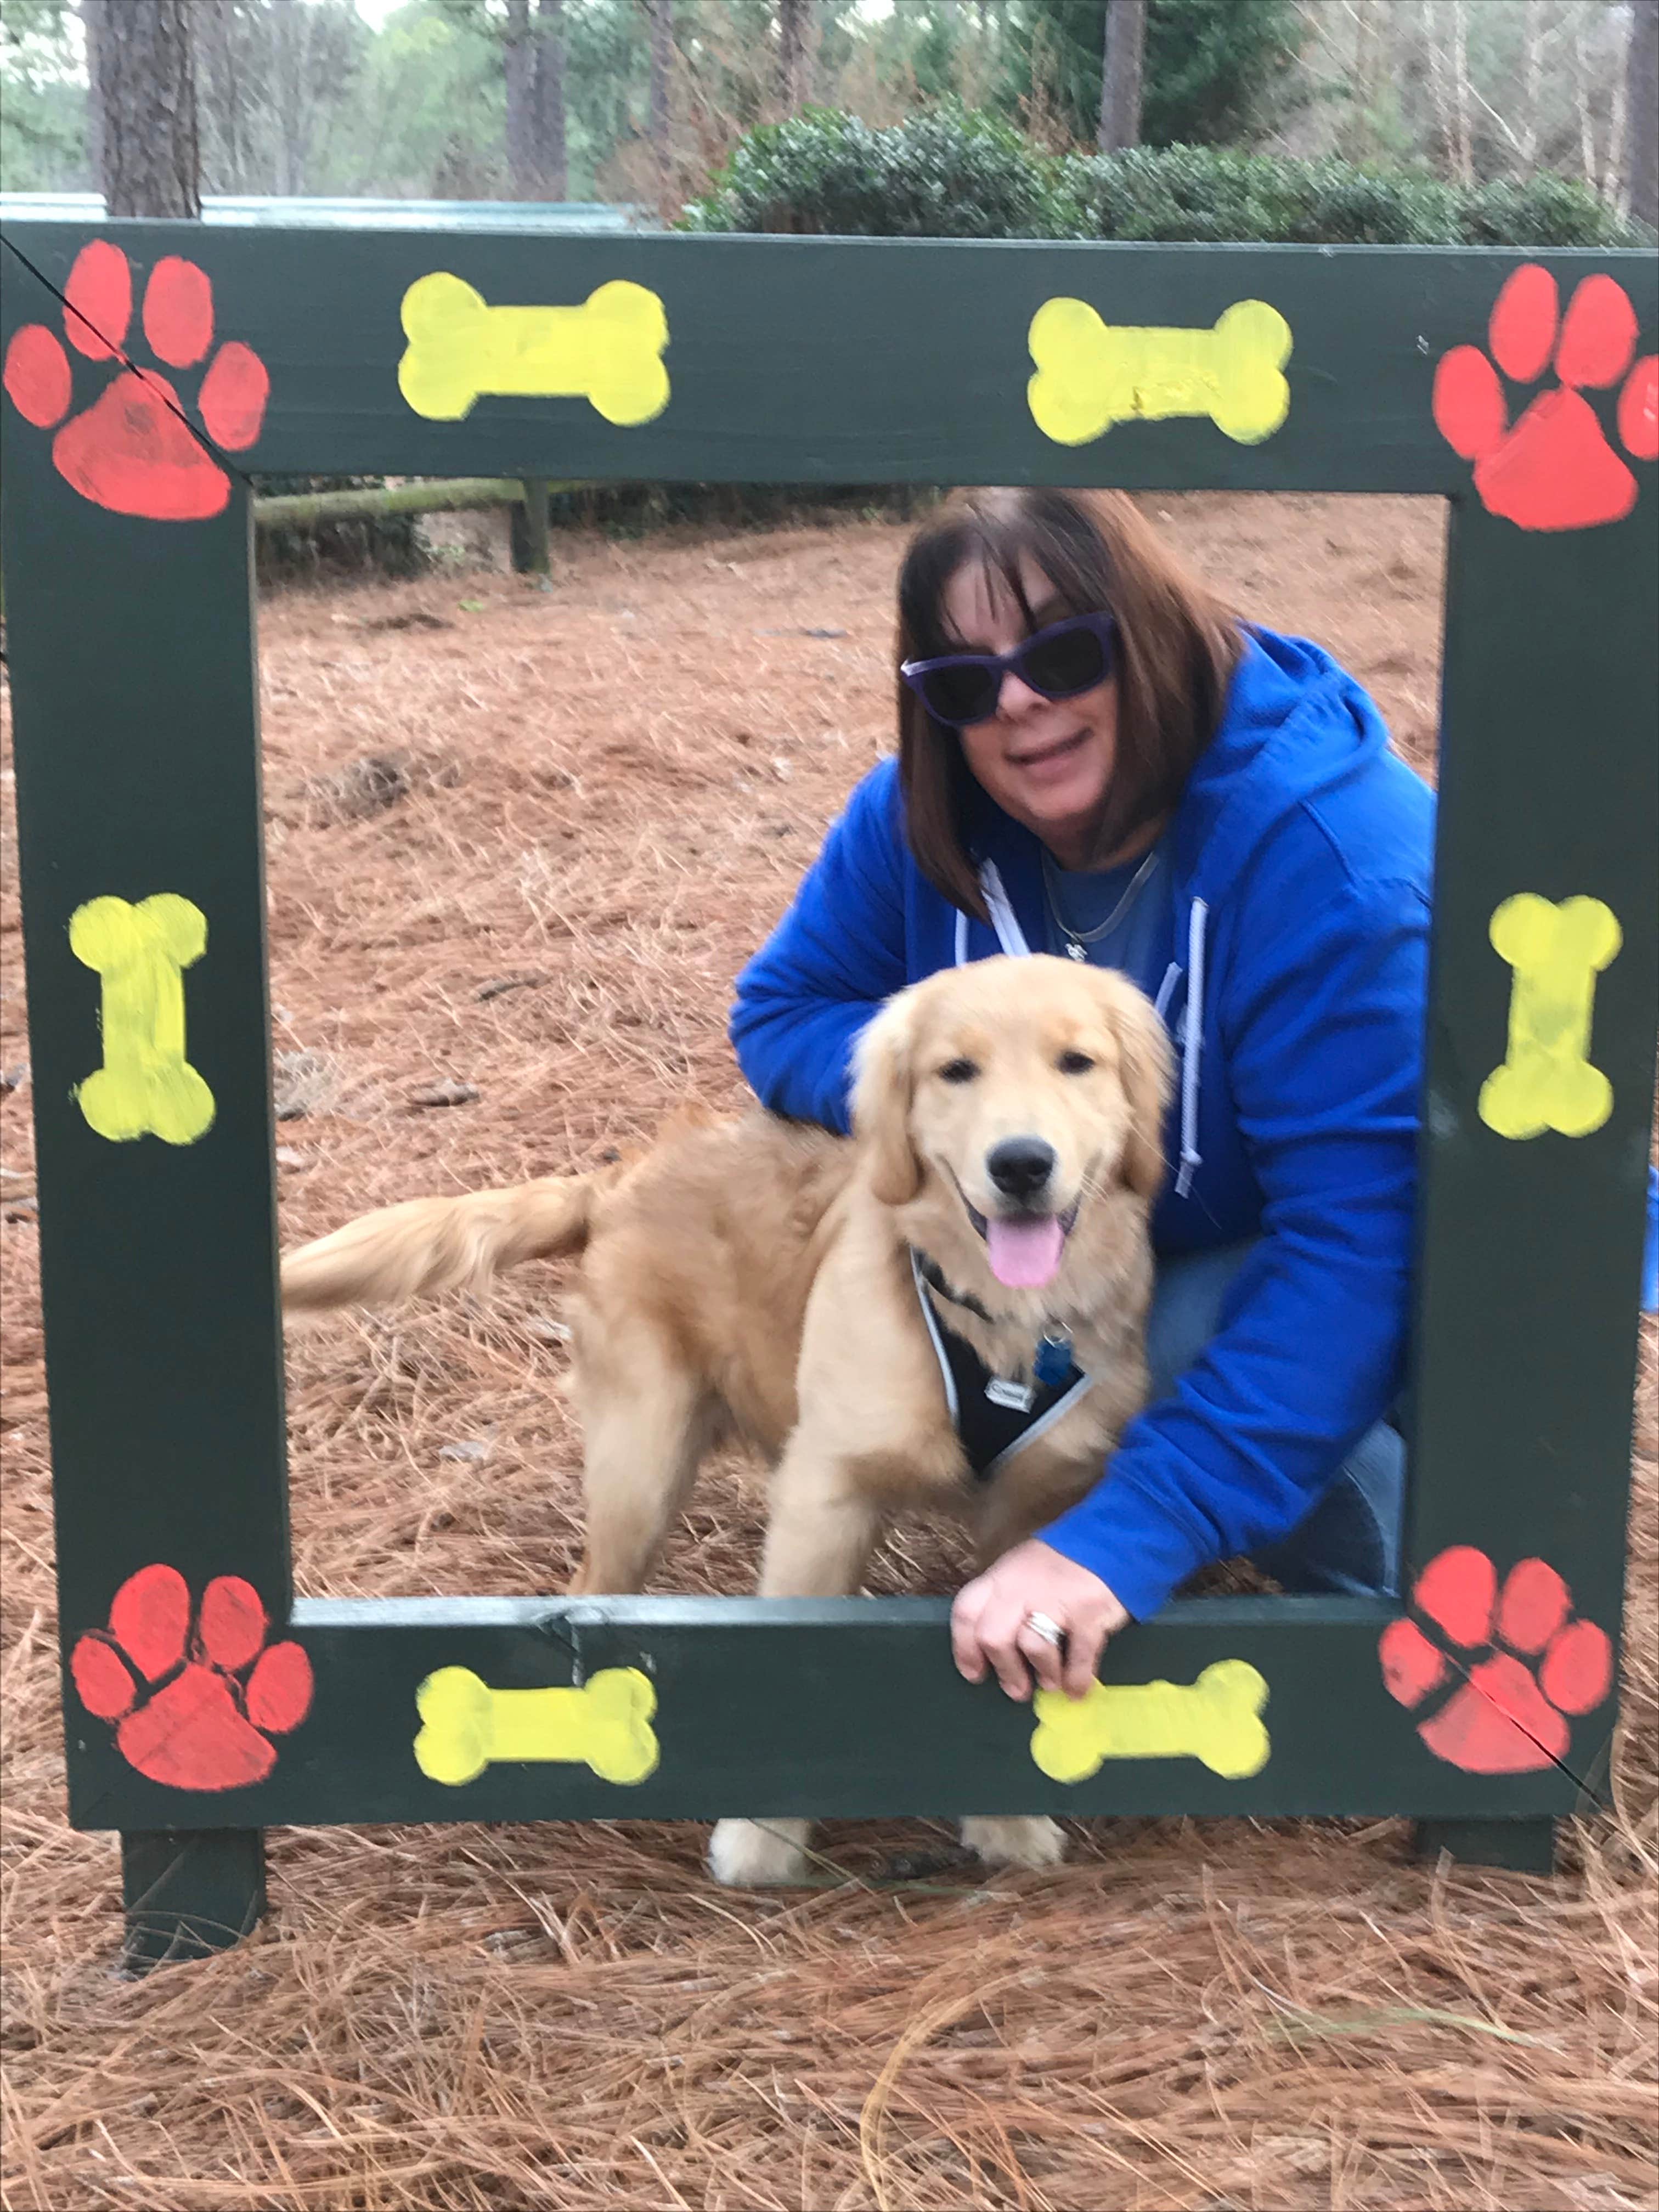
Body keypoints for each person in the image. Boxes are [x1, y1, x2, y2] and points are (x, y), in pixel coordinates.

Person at [730, 487, 1435, 1705]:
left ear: (1150, 633)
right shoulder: (920, 814)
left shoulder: (1332, 857)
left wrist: (1120, 1540)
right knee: (1020, 1294)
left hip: (1386, 1264)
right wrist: (924, 1081)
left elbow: (1369, 1242)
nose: (1015, 703)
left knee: (1174, 1333)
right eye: (962, 682)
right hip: (1101, 1252)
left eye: (1063, 650)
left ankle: (1422, 1620)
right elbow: (784, 1013)